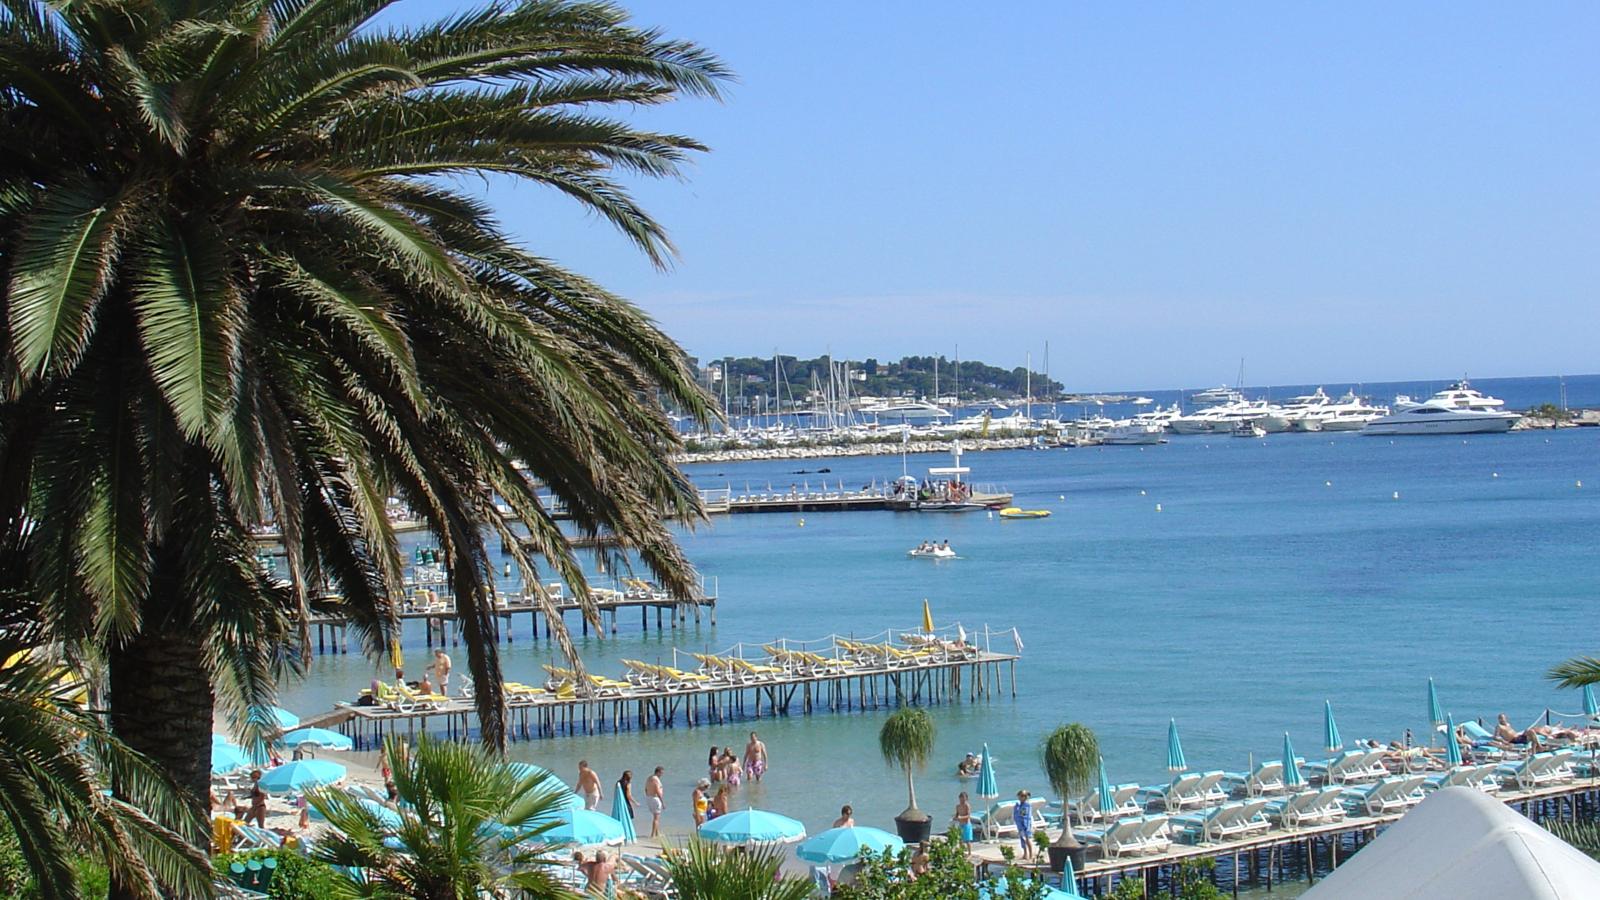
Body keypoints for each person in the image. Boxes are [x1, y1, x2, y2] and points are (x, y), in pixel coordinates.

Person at [1013, 790, 1034, 859]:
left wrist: (1025, 827)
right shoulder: (1020, 805)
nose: (1019, 798)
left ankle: (1031, 855)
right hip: (1020, 825)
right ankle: (1025, 854)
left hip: (1025, 825)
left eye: (1020, 796)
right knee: (1022, 839)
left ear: (1024, 797)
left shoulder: (1026, 805)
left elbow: (1024, 816)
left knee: (1027, 839)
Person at [645, 767, 665, 837]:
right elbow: (657, 790)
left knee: (655, 817)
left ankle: (657, 833)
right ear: (658, 772)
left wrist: (648, 796)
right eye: (661, 773)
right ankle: (653, 834)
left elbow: (646, 789)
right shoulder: (656, 780)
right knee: (656, 818)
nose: (662, 774)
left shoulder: (649, 778)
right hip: (655, 798)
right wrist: (662, 802)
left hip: (649, 798)